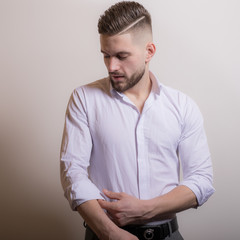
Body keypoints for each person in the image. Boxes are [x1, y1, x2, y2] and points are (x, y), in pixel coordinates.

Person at [60, 1, 215, 240]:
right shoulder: (84, 99)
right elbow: (73, 172)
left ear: (149, 51)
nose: (112, 66)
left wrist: (145, 209)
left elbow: (202, 181)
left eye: (122, 56)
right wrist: (110, 233)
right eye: (106, 55)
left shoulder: (182, 106)